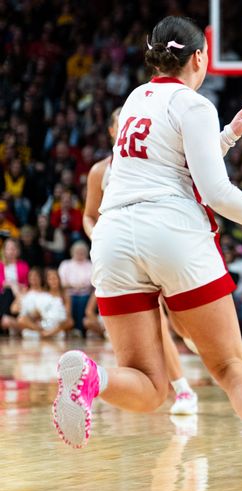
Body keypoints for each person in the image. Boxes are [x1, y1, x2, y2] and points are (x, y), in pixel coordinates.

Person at [52, 16, 242, 491]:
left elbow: (166, 163)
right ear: (200, 57)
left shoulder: (136, 98)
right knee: (230, 365)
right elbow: (214, 191)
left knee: (153, 387)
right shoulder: (194, 102)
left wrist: (227, 136)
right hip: (171, 232)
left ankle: (94, 377)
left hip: (112, 237)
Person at [83, 107, 198, 416]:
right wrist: (100, 236)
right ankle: (183, 390)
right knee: (157, 321)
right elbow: (89, 215)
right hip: (123, 253)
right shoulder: (100, 171)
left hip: (162, 244)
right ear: (112, 130)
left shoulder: (156, 161)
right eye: (120, 122)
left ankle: (194, 343)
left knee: (181, 320)